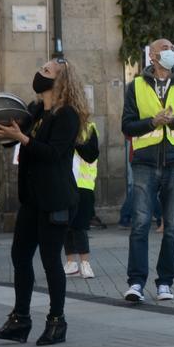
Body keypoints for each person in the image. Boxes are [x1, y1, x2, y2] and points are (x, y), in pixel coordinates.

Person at [0, 58, 90, 345]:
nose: (39, 74)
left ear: (60, 81)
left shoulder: (67, 115)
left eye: (46, 71)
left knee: (50, 261)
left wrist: (22, 137)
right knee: (20, 256)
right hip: (32, 199)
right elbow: (13, 138)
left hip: (56, 199)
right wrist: (2, 130)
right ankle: (20, 320)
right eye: (41, 69)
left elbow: (54, 154)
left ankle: (57, 322)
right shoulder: (34, 111)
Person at [121, 39, 174, 303]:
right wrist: (151, 122)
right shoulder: (136, 85)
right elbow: (127, 126)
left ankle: (165, 283)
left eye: (172, 50)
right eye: (164, 50)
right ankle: (136, 283)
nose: (169, 54)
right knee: (141, 224)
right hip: (145, 161)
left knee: (173, 227)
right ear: (153, 56)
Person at [64, 117, 100, 279]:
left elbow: (91, 154)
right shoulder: (59, 125)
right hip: (64, 182)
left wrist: (75, 141)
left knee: (79, 225)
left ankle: (85, 263)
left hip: (83, 184)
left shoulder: (89, 128)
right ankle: (71, 263)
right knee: (65, 224)